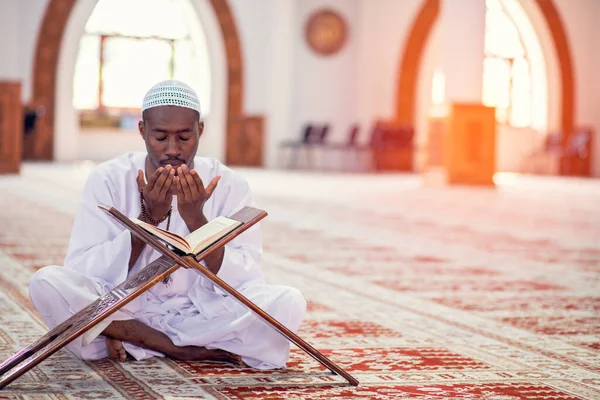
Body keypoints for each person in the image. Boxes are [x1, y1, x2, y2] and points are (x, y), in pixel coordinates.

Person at [28, 80, 306, 369]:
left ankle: (118, 335)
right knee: (47, 283)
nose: (172, 149)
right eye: (160, 137)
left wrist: (197, 220)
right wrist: (148, 221)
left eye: (184, 137)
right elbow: (83, 268)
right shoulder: (108, 178)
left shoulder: (230, 184)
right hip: (124, 306)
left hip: (199, 311)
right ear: (142, 131)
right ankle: (166, 345)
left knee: (288, 302)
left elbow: (245, 276)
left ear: (200, 130)